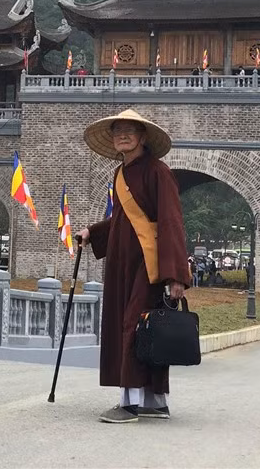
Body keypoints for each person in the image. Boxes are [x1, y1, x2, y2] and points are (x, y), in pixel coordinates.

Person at [77, 109, 190, 424]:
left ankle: (130, 404)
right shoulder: (120, 174)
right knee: (146, 329)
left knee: (136, 325)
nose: (123, 135)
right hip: (121, 264)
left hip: (148, 263)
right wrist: (93, 232)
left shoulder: (158, 171)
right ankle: (155, 401)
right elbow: (124, 219)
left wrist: (176, 274)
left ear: (143, 137)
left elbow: (170, 221)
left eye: (130, 130)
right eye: (117, 131)